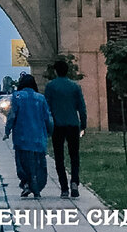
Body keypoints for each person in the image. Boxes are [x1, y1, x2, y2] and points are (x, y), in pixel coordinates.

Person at [3, 73, 52, 198]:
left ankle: (26, 184)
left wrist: (7, 131)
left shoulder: (17, 96)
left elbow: (12, 116)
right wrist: (50, 131)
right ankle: (36, 186)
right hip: (38, 137)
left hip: (22, 137)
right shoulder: (41, 98)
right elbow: (48, 118)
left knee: (22, 163)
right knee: (39, 163)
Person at [44, 59, 87, 198]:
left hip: (57, 126)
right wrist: (83, 123)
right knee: (74, 155)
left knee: (59, 157)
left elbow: (47, 108)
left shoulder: (51, 86)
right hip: (73, 125)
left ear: (56, 71)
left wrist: (46, 125)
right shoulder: (75, 87)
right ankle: (74, 182)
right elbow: (81, 107)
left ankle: (64, 188)